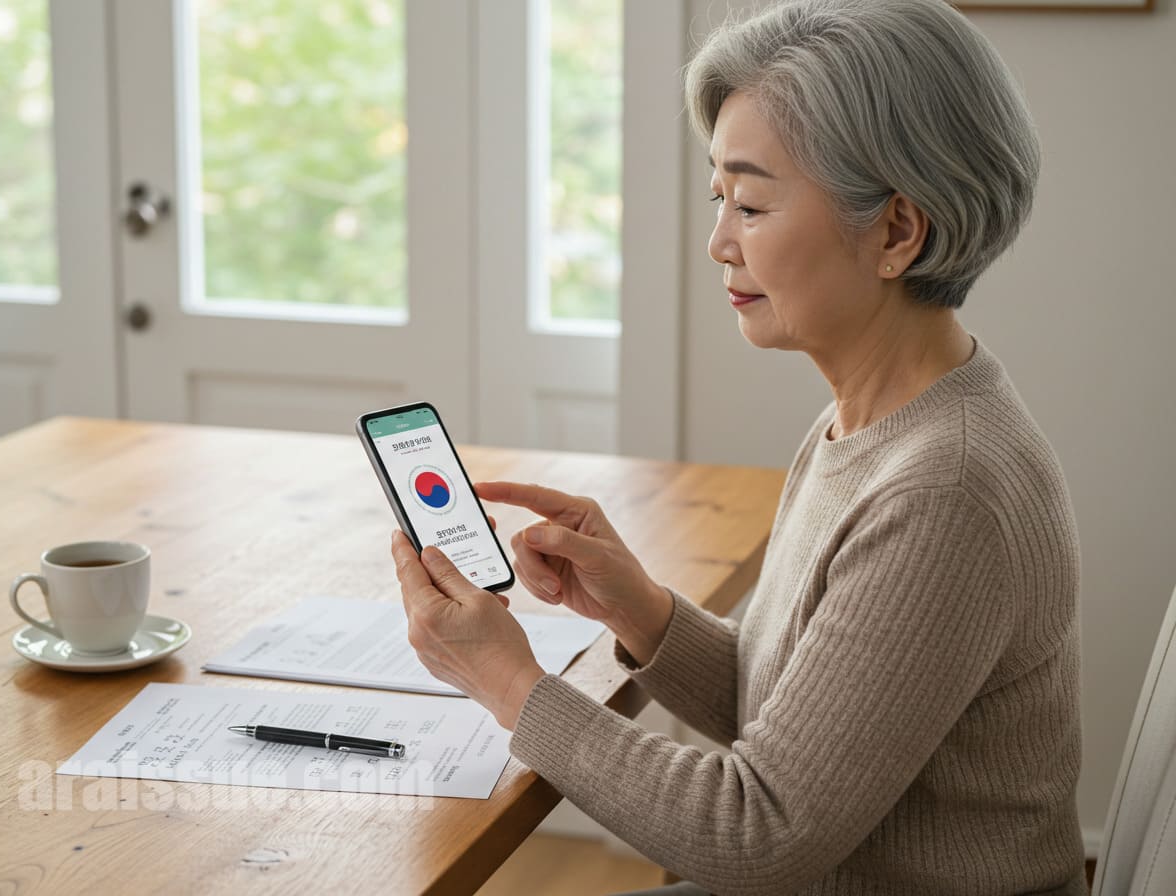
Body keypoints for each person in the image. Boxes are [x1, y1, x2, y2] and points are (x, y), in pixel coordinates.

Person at [391, 0, 1086, 891]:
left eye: (751, 204)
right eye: (719, 197)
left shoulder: (942, 489)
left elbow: (758, 834)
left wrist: (502, 677)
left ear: (897, 232)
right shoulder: (874, 422)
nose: (720, 241)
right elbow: (795, 724)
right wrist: (640, 609)